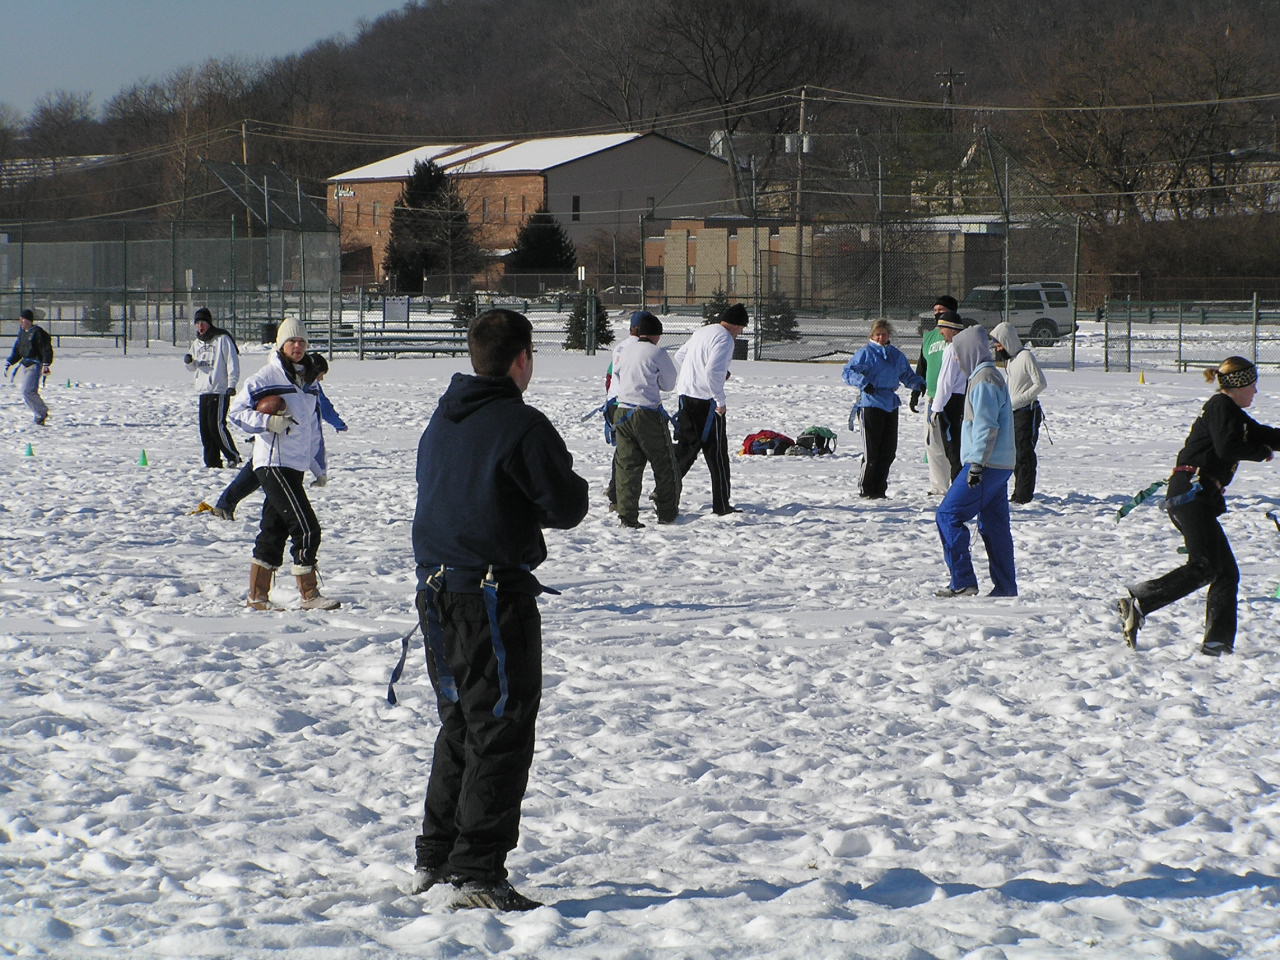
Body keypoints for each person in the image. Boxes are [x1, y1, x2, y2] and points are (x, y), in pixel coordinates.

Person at [410, 308, 588, 911]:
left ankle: (438, 856)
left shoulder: (443, 418)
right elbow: (566, 506)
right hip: (488, 595)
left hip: (436, 591)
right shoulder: (520, 423)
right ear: (522, 360)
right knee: (501, 726)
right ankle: (477, 870)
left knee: (462, 721)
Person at [1118, 357, 1280, 656]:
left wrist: (1267, 444)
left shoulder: (1233, 414)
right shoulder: (1222, 407)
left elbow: (1266, 435)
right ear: (1239, 385)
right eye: (1253, 384)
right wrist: (1262, 454)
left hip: (1196, 495)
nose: (1256, 391)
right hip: (1191, 493)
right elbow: (1227, 447)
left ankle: (1217, 644)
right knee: (1205, 565)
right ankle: (1141, 602)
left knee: (1226, 572)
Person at [227, 318, 339, 612]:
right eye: (292, 341)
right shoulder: (266, 377)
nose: (298, 346)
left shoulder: (309, 381)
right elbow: (236, 413)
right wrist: (267, 422)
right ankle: (309, 594)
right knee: (306, 527)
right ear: (281, 344)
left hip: (295, 465)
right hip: (272, 463)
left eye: (302, 341)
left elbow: (313, 427)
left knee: (273, 530)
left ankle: (257, 596)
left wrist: (318, 467)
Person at [206, 352, 346, 521]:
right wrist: (267, 422)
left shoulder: (310, 386)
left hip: (292, 450)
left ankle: (231, 507)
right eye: (321, 375)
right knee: (256, 479)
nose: (322, 379)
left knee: (270, 488)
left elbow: (317, 420)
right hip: (272, 447)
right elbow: (241, 412)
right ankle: (224, 505)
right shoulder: (274, 377)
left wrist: (320, 470)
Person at [935, 325, 1017, 598]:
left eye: (958, 353)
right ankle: (1005, 588)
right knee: (995, 527)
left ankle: (963, 581)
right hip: (1000, 464)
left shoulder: (983, 380)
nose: (956, 359)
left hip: (985, 465)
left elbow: (985, 426)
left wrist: (977, 465)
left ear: (969, 351)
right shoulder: (986, 376)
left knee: (947, 515)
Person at [673, 303, 748, 516]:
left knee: (687, 448)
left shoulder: (703, 331)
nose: (740, 333)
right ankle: (721, 504)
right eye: (741, 328)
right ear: (735, 325)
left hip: (685, 396)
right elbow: (713, 371)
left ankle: (666, 490)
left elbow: (680, 356)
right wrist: (720, 401)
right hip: (706, 403)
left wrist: (694, 374)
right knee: (717, 454)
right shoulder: (724, 338)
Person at [609, 311, 680, 527]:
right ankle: (667, 512)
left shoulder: (624, 349)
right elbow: (669, 384)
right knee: (664, 462)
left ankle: (627, 516)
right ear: (654, 335)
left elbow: (618, 375)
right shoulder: (656, 353)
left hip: (622, 412)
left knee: (627, 465)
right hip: (647, 414)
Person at [842, 319, 925, 499]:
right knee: (872, 451)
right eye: (878, 334)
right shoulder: (865, 353)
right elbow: (848, 372)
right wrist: (864, 383)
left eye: (884, 334)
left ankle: (880, 489)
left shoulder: (895, 355)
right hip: (870, 403)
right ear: (872, 335)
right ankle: (867, 489)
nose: (881, 337)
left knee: (888, 451)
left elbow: (906, 375)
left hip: (890, 404)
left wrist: (919, 385)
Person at [991, 322, 1048, 504]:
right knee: (1015, 454)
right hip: (1013, 413)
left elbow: (1040, 383)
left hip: (1027, 412)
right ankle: (1018, 491)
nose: (997, 348)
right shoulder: (1011, 361)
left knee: (1024, 453)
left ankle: (1024, 495)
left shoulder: (1025, 357)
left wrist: (1020, 400)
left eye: (999, 344)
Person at [184, 307, 241, 468]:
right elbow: (193, 368)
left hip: (219, 389)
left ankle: (233, 456)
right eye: (197, 323)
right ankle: (212, 461)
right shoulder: (196, 343)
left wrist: (232, 384)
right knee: (205, 429)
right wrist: (189, 362)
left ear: (209, 323)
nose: (200, 326)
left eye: (203, 323)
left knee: (216, 426)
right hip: (204, 391)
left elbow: (232, 362)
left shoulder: (222, 339)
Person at [911, 297, 956, 495]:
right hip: (932, 397)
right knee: (933, 444)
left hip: (955, 397)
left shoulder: (958, 335)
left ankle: (956, 485)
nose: (937, 313)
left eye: (942, 309)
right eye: (935, 310)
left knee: (953, 444)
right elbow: (923, 365)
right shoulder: (929, 337)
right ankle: (939, 487)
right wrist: (916, 390)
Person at [928, 310, 970, 481]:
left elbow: (946, 382)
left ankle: (957, 492)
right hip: (964, 400)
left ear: (952, 330)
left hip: (952, 403)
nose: (940, 332)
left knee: (954, 451)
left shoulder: (952, 348)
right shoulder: (968, 346)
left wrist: (936, 408)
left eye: (942, 328)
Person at [5, 309, 53, 425]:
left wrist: (46, 364)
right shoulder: (22, 332)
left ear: (30, 320)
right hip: (26, 364)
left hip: (35, 364)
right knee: (28, 392)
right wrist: (10, 361)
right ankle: (40, 413)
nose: (22, 321)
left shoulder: (37, 332)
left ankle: (41, 413)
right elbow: (18, 349)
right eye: (21, 319)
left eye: (25, 319)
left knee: (28, 391)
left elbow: (46, 348)